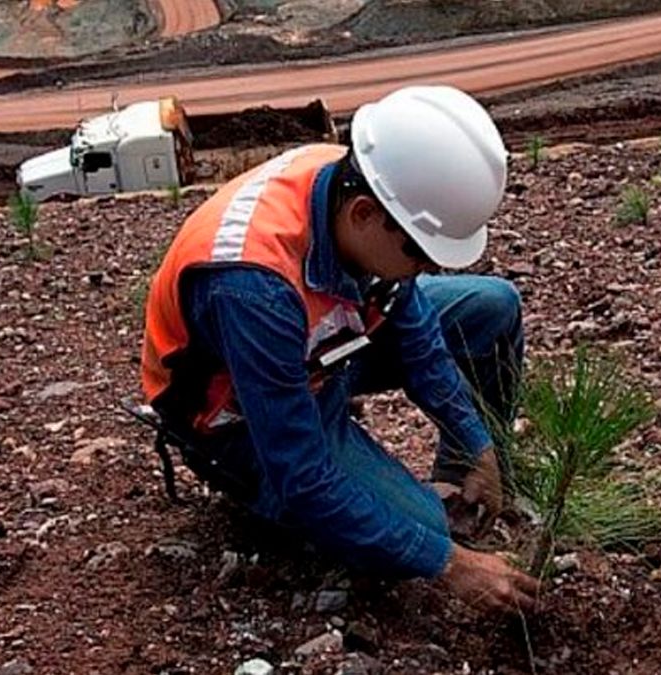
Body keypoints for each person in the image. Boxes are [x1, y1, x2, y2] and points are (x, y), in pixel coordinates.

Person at [140, 85, 539, 612]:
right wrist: (448, 562)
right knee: (420, 533)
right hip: (237, 415)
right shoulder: (250, 285)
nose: (429, 268)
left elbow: (411, 321)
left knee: (493, 307)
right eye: (421, 254)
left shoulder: (362, 180)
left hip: (321, 347)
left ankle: (465, 485)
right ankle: (259, 496)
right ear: (363, 215)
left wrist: (475, 441)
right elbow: (302, 476)